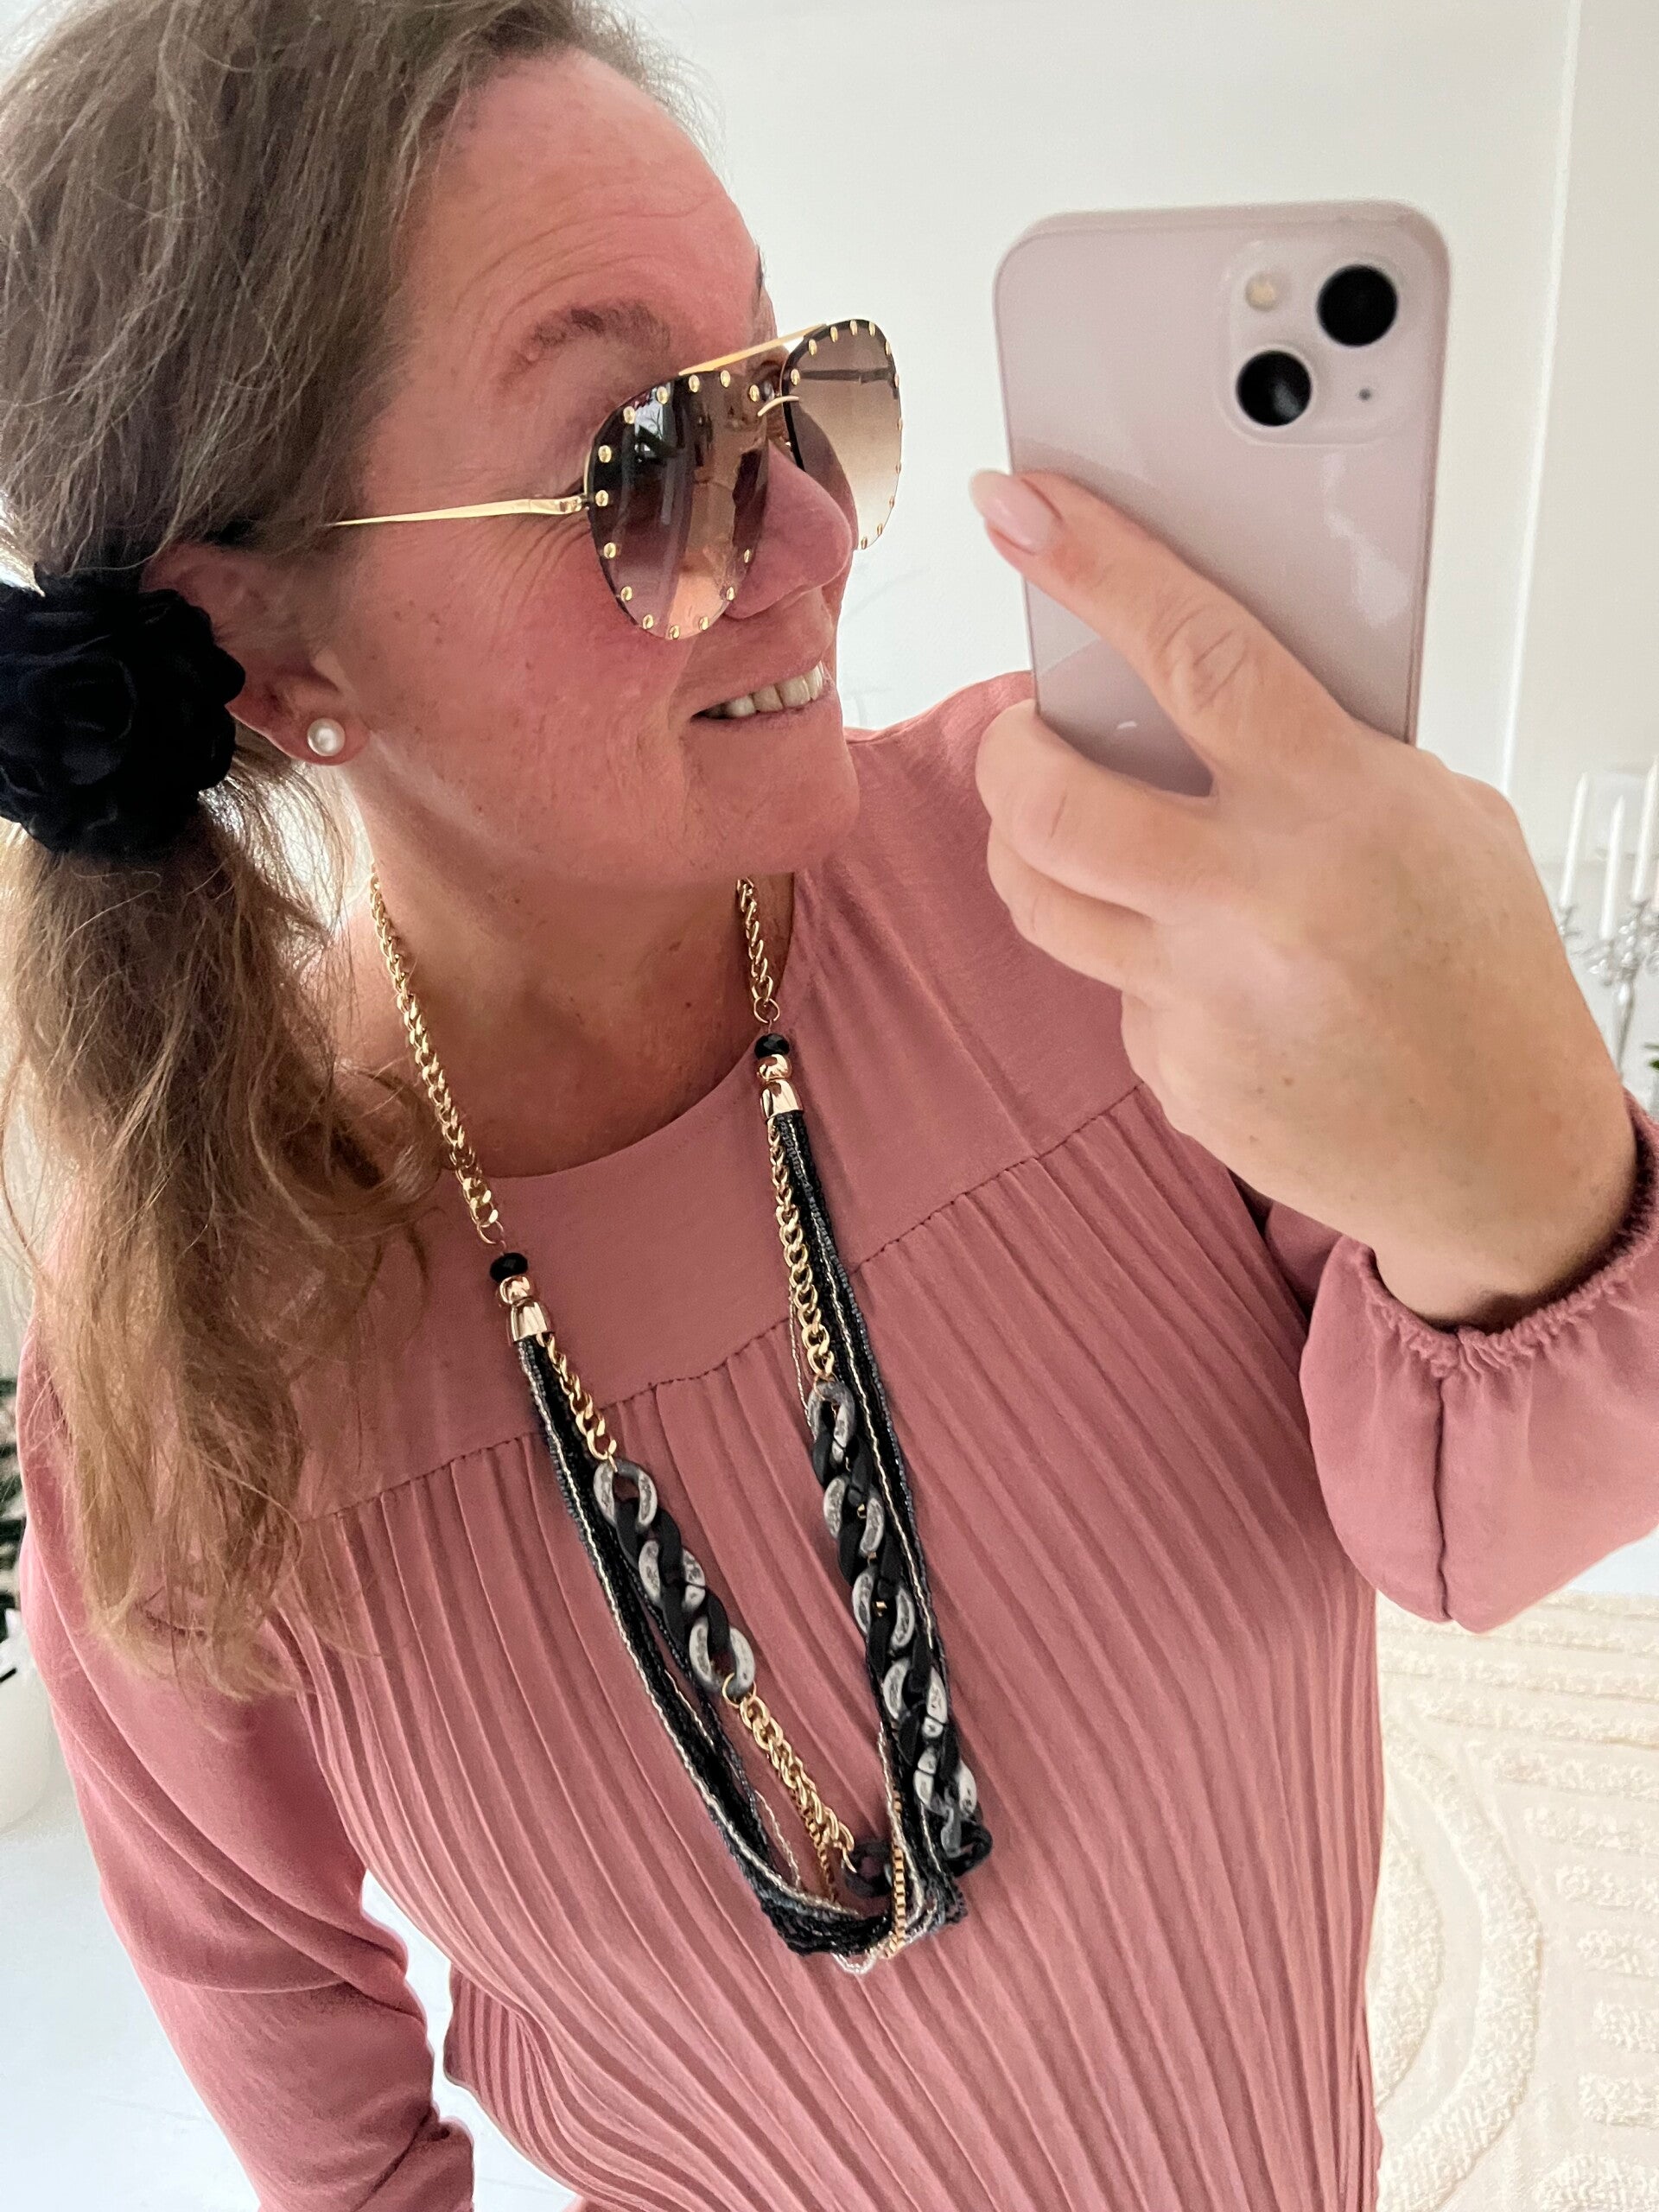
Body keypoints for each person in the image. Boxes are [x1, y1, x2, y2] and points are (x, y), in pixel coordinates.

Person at [4, 3, 1656, 2209]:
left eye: (796, 391)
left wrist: (1538, 1178)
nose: (814, 534)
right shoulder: (191, 1343)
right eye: (644, 456)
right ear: (278, 654)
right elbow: (292, 2046)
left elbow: (1480, 1532)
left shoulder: (1087, 891)